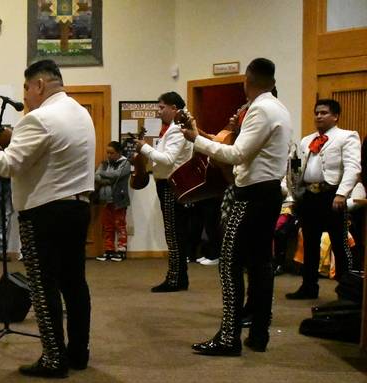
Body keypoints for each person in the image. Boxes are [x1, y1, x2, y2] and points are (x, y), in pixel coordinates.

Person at [0, 59, 95, 378]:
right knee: (75, 284)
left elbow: (6, 166)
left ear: (40, 84)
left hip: (45, 213)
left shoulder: (39, 119)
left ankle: (54, 359)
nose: (25, 95)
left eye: (26, 88)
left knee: (44, 287)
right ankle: (78, 353)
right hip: (79, 208)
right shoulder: (81, 113)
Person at [181, 57, 291, 355]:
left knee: (230, 263)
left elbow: (238, 154)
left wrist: (196, 141)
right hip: (268, 193)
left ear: (248, 81)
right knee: (260, 265)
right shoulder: (279, 107)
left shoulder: (260, 109)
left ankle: (229, 336)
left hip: (252, 195)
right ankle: (258, 333)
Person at [284, 99, 361, 300]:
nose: (319, 116)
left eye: (324, 112)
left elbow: (353, 167)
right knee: (309, 243)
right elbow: (297, 167)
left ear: (335, 116)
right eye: (317, 112)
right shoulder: (306, 140)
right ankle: (309, 286)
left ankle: (347, 290)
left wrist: (342, 193)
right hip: (309, 196)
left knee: (339, 243)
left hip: (332, 195)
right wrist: (294, 191)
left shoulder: (347, 137)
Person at [136, 92, 193, 291]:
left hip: (172, 185)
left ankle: (175, 279)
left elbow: (168, 159)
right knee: (174, 233)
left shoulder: (177, 129)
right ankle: (179, 277)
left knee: (174, 234)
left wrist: (144, 148)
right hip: (169, 184)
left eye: (161, 108)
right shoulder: (173, 128)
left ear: (174, 108)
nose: (158, 112)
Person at [95, 141, 131, 262]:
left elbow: (117, 175)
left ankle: (121, 250)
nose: (109, 155)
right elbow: (96, 177)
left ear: (119, 152)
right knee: (107, 226)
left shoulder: (125, 163)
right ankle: (109, 250)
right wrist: (107, 178)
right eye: (107, 153)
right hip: (106, 200)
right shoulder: (104, 163)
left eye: (112, 153)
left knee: (120, 225)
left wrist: (103, 175)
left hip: (119, 199)